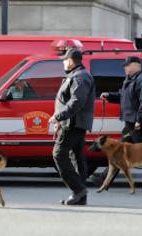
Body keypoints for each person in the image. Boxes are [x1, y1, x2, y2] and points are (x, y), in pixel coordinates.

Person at [91, 56, 142, 192]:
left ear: (136, 65)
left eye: (127, 65)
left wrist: (140, 119)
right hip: (130, 122)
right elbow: (123, 96)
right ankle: (104, 179)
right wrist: (109, 95)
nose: (125, 68)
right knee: (118, 151)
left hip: (139, 123)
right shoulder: (129, 81)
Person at [49, 48, 95, 205]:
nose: (62, 62)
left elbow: (76, 101)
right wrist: (60, 121)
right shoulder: (75, 75)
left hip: (73, 124)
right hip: (70, 123)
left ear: (70, 61)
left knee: (58, 154)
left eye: (64, 59)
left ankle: (78, 190)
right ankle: (81, 197)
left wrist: (59, 117)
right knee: (76, 158)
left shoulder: (80, 77)